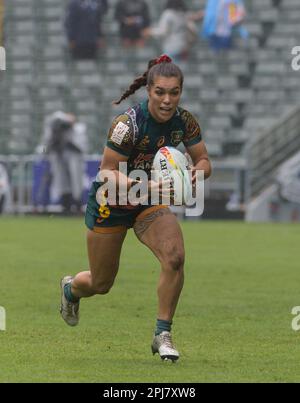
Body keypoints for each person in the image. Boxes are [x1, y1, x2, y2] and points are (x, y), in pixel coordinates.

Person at [60, 55, 212, 361]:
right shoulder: (127, 124)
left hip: (148, 203)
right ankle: (71, 290)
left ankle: (162, 334)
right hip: (112, 202)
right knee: (101, 284)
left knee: (175, 257)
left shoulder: (185, 121)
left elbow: (204, 161)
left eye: (174, 92)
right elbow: (106, 172)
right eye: (161, 92)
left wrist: (192, 175)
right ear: (149, 91)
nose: (168, 100)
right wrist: (148, 186)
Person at [40, 111, 88, 214]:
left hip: (74, 156)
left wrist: (69, 142)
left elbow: (81, 147)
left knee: (76, 180)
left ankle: (77, 205)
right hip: (58, 155)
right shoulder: (51, 132)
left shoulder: (78, 129)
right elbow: (44, 147)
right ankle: (65, 205)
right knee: (61, 180)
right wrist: (48, 150)